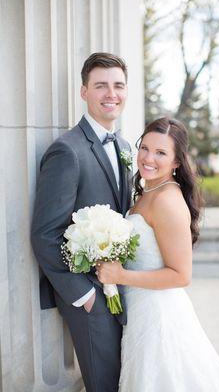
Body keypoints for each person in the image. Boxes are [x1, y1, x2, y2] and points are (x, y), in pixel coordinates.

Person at [96, 117, 219, 392]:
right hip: (141, 312)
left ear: (177, 162)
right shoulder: (149, 190)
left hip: (159, 318)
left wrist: (120, 275)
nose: (148, 158)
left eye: (161, 153)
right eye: (145, 148)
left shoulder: (168, 201)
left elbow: (181, 275)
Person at [31, 52, 132, 392]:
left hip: (122, 286)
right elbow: (45, 233)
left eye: (118, 85)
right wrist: (83, 294)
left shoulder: (123, 144)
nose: (111, 94)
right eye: (100, 85)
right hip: (90, 298)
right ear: (83, 91)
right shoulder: (67, 151)